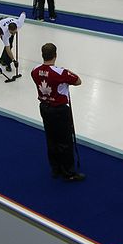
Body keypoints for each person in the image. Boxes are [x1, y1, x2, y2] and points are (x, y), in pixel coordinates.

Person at [31, 43, 85, 181]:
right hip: (59, 110)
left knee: (51, 139)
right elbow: (78, 81)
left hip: (44, 107)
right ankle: (68, 172)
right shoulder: (61, 72)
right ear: (55, 55)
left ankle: (55, 168)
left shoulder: (35, 70)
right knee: (65, 141)